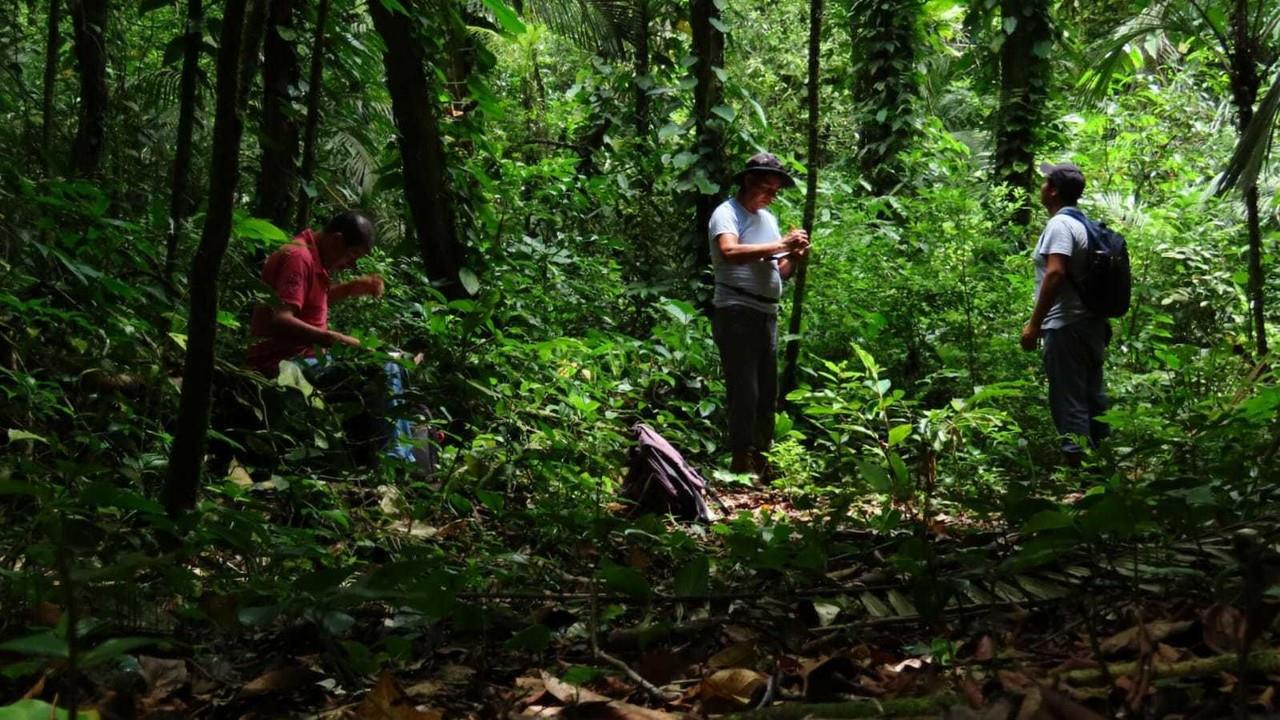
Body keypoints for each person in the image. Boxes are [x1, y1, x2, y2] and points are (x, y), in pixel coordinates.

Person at [247, 211, 423, 467]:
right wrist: (333, 338)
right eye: (352, 256)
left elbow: (307, 300)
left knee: (391, 361)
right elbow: (281, 318)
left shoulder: (313, 256)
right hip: (284, 364)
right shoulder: (298, 257)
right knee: (386, 367)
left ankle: (390, 455)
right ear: (337, 240)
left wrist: (352, 288)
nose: (349, 264)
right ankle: (395, 461)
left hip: (307, 358)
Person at [709, 153, 810, 477]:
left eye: (776, 191)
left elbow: (779, 272)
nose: (771, 196)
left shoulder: (768, 219)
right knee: (745, 390)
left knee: (768, 391)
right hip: (736, 310)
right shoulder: (727, 214)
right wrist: (781, 243)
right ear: (749, 181)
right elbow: (729, 252)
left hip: (766, 314)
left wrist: (794, 255)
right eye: (766, 188)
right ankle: (741, 459)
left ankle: (763, 461)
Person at [1020, 162, 1109, 466]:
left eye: (1046, 182)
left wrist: (1034, 324)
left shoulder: (1059, 225)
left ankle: (1077, 470)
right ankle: (1101, 464)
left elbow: (1055, 273)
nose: (1041, 186)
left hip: (1066, 324)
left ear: (1054, 191)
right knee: (1092, 394)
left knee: (1068, 396)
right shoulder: (1083, 224)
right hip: (1091, 323)